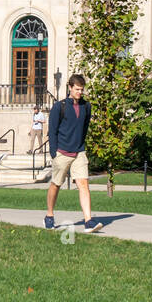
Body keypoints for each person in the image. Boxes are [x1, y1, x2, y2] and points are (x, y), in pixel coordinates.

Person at [44, 74, 103, 232]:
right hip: (62, 152)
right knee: (56, 185)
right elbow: (52, 131)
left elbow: (84, 128)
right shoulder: (59, 106)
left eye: (82, 90)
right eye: (77, 89)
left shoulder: (86, 106)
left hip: (79, 152)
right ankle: (49, 216)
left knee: (83, 184)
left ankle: (88, 221)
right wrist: (54, 153)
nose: (79, 92)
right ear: (70, 88)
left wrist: (80, 146)